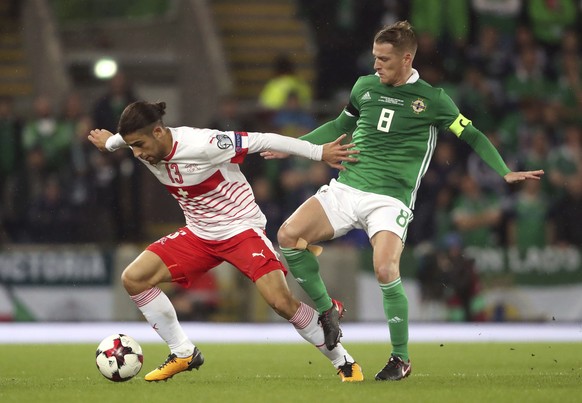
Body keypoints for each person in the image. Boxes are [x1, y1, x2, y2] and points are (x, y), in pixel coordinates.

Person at [268, 21, 544, 382]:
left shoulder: (433, 100)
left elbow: (471, 133)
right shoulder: (364, 87)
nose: (376, 65)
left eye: (383, 59)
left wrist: (504, 170)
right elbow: (339, 125)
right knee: (288, 236)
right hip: (347, 188)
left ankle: (400, 358)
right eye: (374, 57)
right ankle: (327, 309)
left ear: (406, 58)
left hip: (390, 200)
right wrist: (292, 146)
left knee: (385, 269)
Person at [87, 100, 362, 383]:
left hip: (240, 230)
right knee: (134, 278)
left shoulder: (204, 144)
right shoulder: (142, 141)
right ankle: (183, 352)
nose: (138, 153)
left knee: (281, 302)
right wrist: (110, 144)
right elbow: (123, 139)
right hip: (199, 234)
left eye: (140, 145)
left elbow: (263, 139)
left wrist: (318, 152)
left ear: (159, 132)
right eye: (131, 146)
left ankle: (344, 361)